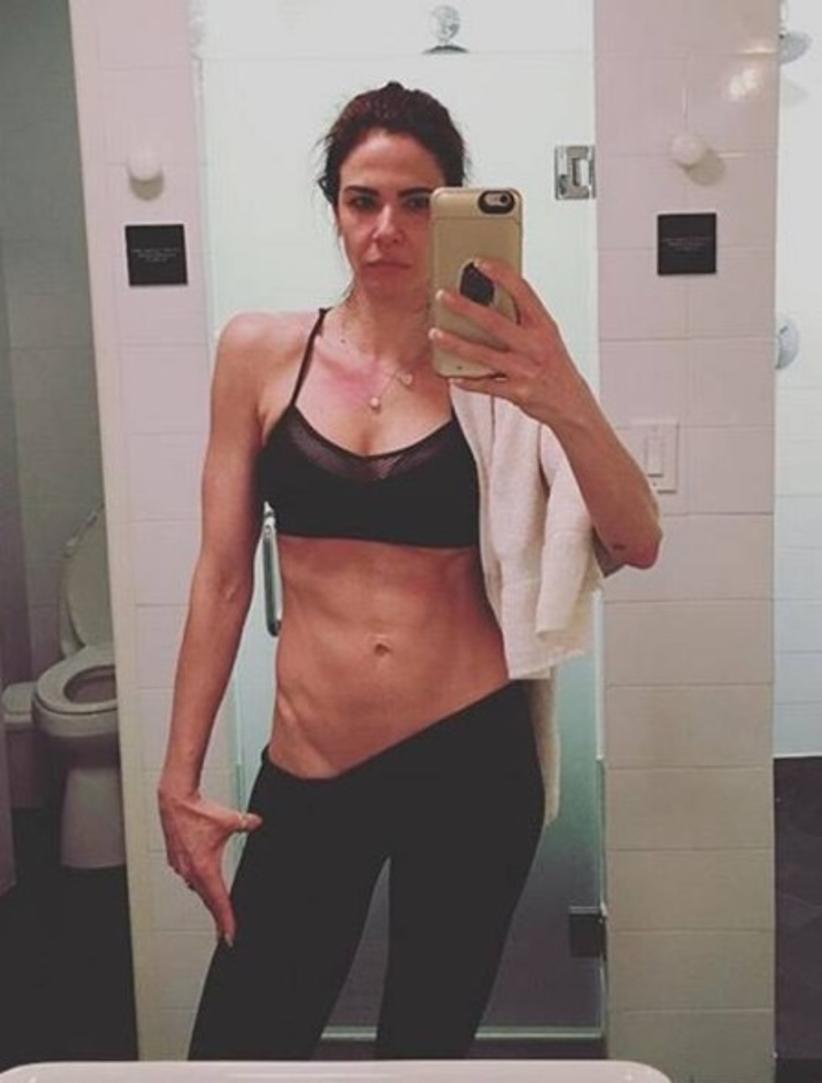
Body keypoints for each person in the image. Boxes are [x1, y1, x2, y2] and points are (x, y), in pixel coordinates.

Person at [157, 81, 661, 1061]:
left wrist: (559, 388)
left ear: (452, 210)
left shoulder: (499, 370)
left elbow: (637, 537)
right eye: (363, 200)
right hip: (311, 762)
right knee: (242, 1046)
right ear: (334, 208)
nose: (386, 228)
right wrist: (179, 780)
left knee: (425, 1052)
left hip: (469, 763)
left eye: (417, 202)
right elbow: (221, 578)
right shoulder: (259, 354)